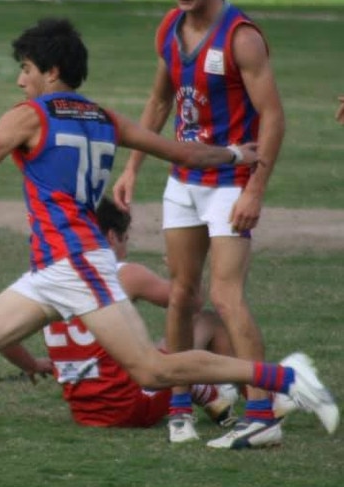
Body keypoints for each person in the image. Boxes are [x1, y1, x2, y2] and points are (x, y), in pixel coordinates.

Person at [0, 18, 337, 487]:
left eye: (25, 69)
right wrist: (231, 154)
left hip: (74, 264)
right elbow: (185, 153)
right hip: (56, 268)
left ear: (51, 71)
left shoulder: (30, 116)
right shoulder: (102, 117)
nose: (20, 81)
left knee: (152, 371)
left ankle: (285, 378)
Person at [112, 0, 286, 448]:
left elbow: (272, 116)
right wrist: (132, 168)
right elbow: (159, 100)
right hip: (183, 181)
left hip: (229, 182)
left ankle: (263, 414)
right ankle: (179, 408)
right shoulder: (170, 26)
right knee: (181, 294)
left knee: (225, 296)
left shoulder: (241, 37)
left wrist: (255, 189)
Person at [1, 196, 240, 429]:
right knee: (208, 320)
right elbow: (192, 303)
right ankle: (243, 392)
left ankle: (207, 389)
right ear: (112, 236)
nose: (126, 246)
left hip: (83, 413)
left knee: (156, 348)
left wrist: (31, 364)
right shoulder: (125, 274)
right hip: (133, 407)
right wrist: (184, 272)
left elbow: (4, 338)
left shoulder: (47, 277)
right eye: (125, 238)